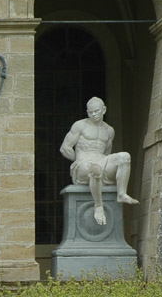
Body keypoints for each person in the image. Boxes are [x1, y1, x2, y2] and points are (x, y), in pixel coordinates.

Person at [60, 96, 139, 225]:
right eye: (90, 112)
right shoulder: (80, 125)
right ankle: (98, 206)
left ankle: (121, 193)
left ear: (104, 110)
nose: (94, 114)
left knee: (124, 157)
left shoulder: (109, 130)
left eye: (96, 111)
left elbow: (106, 152)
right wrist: (80, 160)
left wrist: (103, 162)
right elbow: (65, 148)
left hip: (102, 161)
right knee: (94, 169)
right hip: (83, 164)